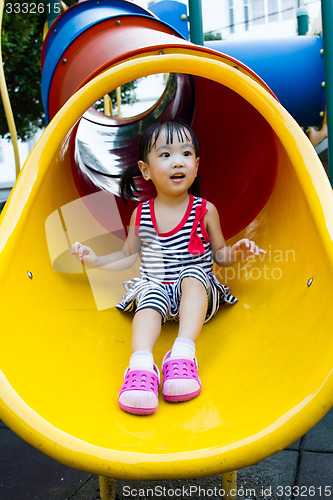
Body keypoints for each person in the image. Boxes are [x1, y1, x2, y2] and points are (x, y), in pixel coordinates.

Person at [71, 120, 266, 416]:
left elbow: (220, 256)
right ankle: (140, 366)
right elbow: (127, 256)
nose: (178, 161)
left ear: (197, 165)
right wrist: (94, 260)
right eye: (165, 155)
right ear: (145, 169)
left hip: (196, 294)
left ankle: (182, 355)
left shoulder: (205, 210)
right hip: (157, 289)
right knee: (148, 289)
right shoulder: (143, 213)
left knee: (194, 275)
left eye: (186, 154)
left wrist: (237, 251)